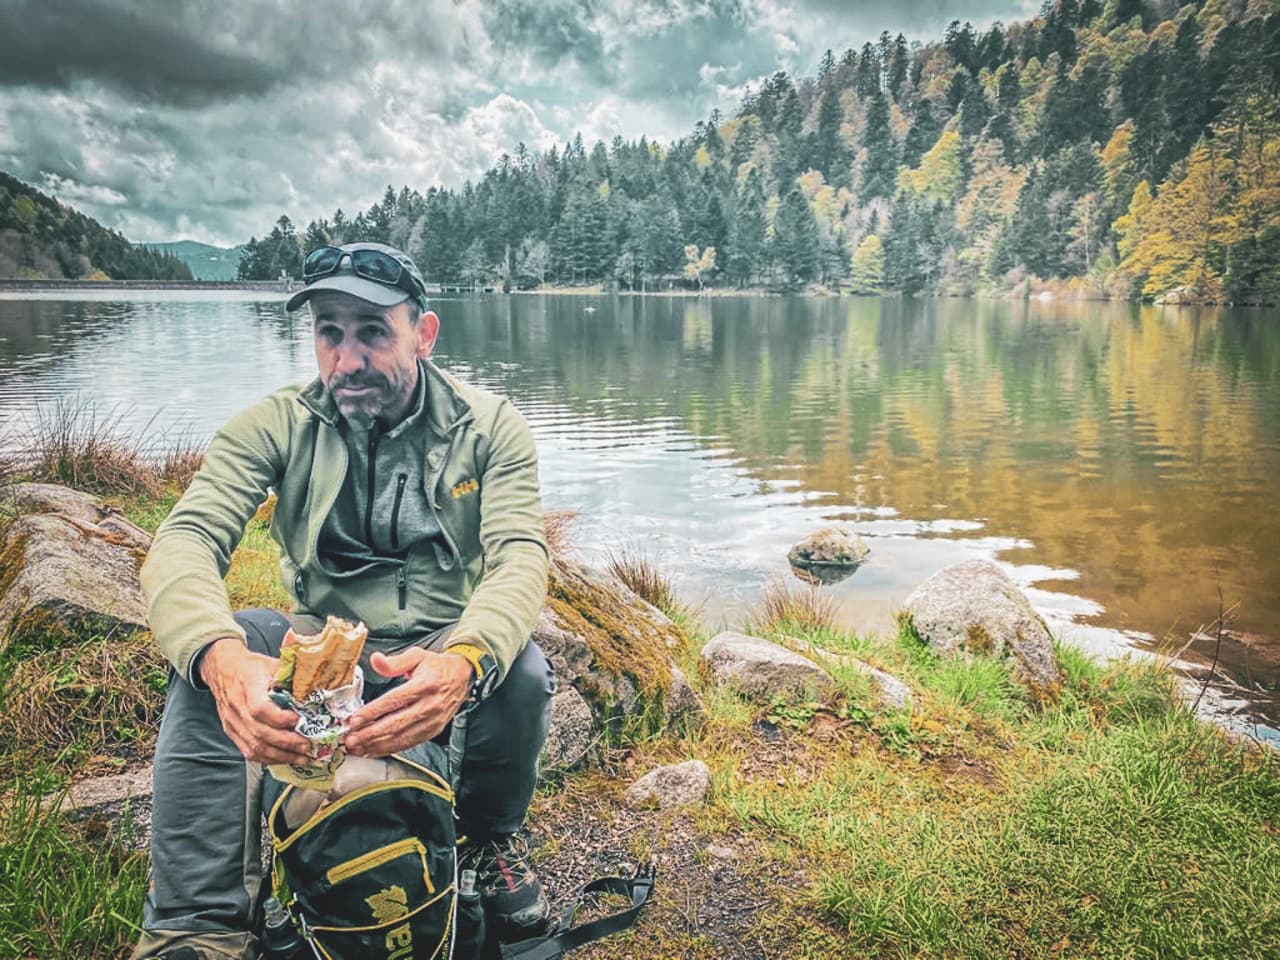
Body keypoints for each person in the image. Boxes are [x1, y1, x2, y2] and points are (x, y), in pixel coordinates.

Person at [133, 242, 554, 960]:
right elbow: (186, 539)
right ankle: (194, 929)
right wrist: (222, 660)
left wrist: (463, 660)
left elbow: (520, 555)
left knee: (519, 672)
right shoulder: (276, 424)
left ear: (423, 334)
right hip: (321, 645)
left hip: (440, 634)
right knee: (227, 641)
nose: (347, 360)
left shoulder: (491, 428)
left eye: (372, 332)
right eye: (330, 331)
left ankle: (486, 843)